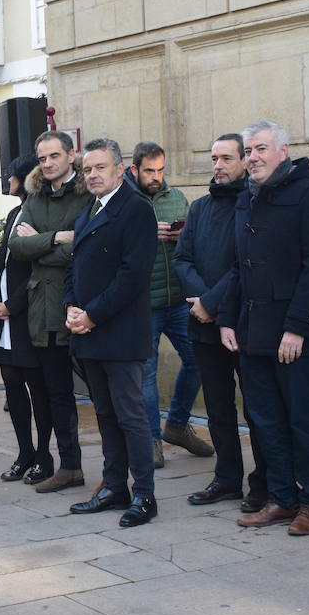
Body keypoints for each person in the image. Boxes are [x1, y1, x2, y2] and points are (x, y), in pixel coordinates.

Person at [221, 121, 309, 536]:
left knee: (301, 420)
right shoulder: (246, 198)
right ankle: (282, 499)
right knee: (266, 420)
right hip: (252, 332)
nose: (253, 157)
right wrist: (226, 321)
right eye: (249, 150)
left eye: (261, 149)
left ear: (283, 150)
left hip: (295, 336)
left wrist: (296, 328)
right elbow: (237, 267)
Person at [63, 138, 158, 527]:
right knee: (104, 413)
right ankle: (114, 486)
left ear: (121, 169)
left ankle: (145, 495)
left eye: (100, 167)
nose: (93, 174)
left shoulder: (136, 210)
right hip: (88, 330)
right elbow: (75, 267)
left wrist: (93, 315)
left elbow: (132, 276)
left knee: (130, 415)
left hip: (118, 331)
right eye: (87, 169)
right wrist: (71, 307)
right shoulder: (88, 210)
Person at [174, 134, 268, 510]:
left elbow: (244, 265)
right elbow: (182, 259)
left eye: (226, 158)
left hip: (244, 324)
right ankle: (227, 478)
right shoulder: (199, 208)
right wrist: (204, 305)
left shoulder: (255, 205)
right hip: (202, 324)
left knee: (257, 408)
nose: (218, 166)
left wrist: (211, 301)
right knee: (217, 408)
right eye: (214, 158)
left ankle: (263, 483)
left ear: (245, 160)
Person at [7, 130, 92, 493]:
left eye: (54, 156)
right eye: (42, 158)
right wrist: (58, 237)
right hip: (44, 310)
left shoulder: (89, 195)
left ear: (70, 156)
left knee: (105, 394)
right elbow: (15, 244)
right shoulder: (36, 195)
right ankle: (70, 466)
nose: (48, 163)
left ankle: (123, 471)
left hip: (81, 305)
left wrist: (39, 243)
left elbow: (86, 247)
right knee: (57, 393)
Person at [127, 141, 212, 468]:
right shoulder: (124, 200)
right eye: (149, 170)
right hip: (142, 302)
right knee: (146, 375)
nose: (156, 177)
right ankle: (151, 440)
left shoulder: (176, 198)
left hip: (178, 299)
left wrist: (184, 235)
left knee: (198, 360)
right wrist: (148, 234)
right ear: (135, 170)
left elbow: (196, 242)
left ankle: (176, 425)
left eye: (161, 170)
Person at [0, 154, 52, 483]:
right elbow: (2, 261)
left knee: (37, 389)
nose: (7, 180)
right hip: (5, 318)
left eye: (11, 175)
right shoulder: (13, 212)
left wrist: (12, 304)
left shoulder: (37, 213)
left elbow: (35, 268)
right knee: (12, 385)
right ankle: (24, 451)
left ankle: (43, 455)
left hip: (27, 314)